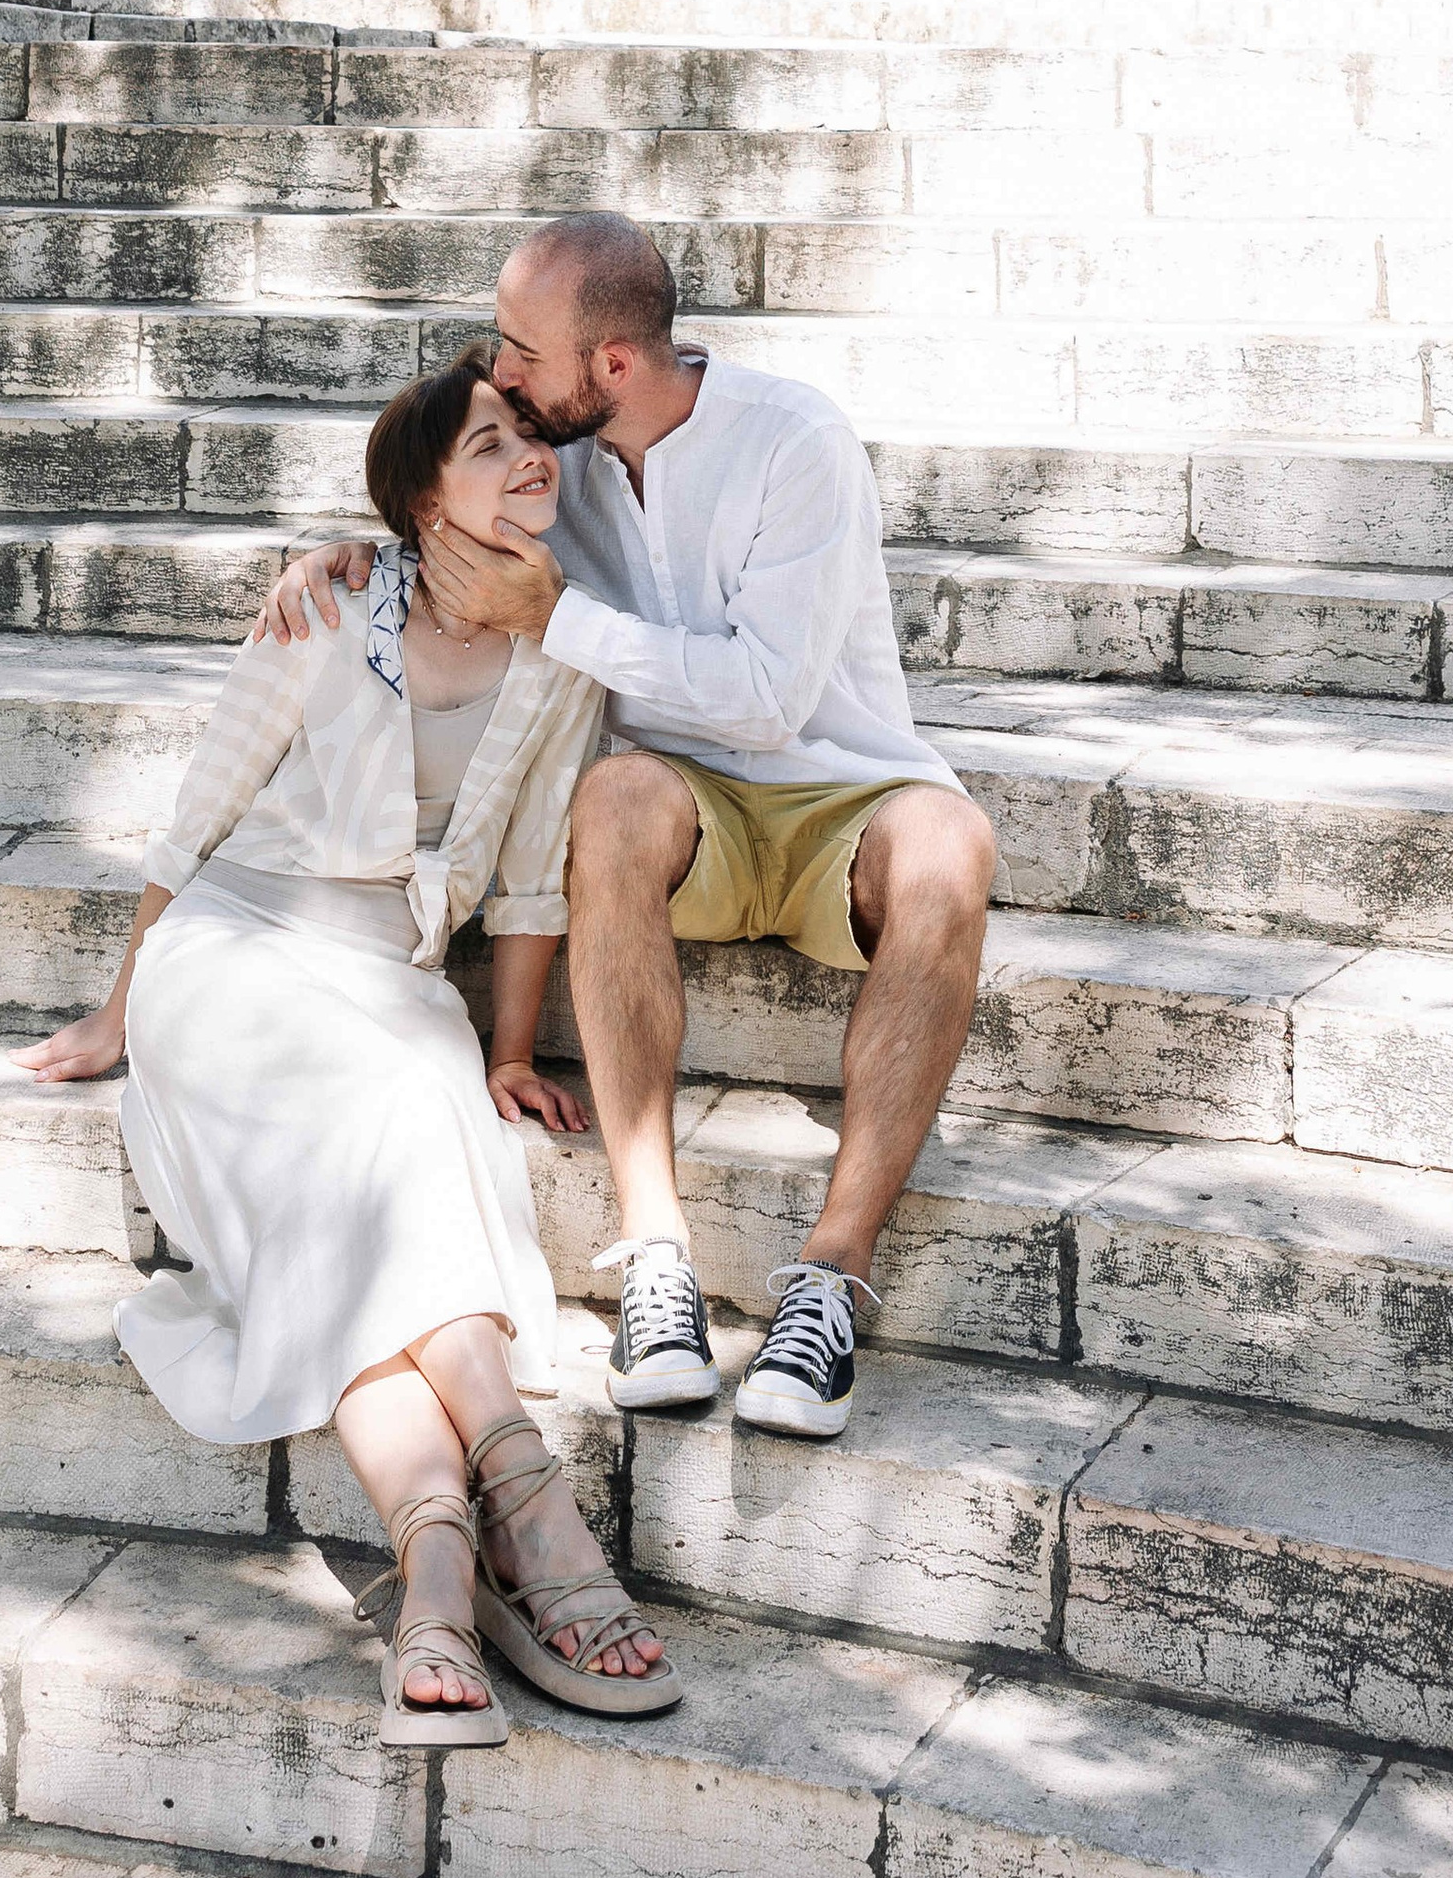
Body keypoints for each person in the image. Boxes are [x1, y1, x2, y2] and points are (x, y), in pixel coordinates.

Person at [16, 346, 677, 1747]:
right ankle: (528, 1508)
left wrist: (509, 1042)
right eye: (490, 446)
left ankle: (437, 1565)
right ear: (425, 498)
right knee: (375, 1145)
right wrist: (118, 1007)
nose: (530, 461)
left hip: (392, 976)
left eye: (531, 441)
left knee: (398, 1146)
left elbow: (544, 879)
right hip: (238, 953)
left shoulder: (572, 647)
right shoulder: (330, 608)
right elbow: (198, 814)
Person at [255, 213, 997, 1447]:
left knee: (951, 844)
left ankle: (830, 1276)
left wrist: (558, 619)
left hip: (839, 800)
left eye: (519, 352)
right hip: (673, 808)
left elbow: (769, 699)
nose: (499, 376)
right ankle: (655, 1256)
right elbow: (448, 500)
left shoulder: (792, 442)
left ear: (608, 368)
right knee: (609, 796)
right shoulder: (558, 455)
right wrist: (358, 557)